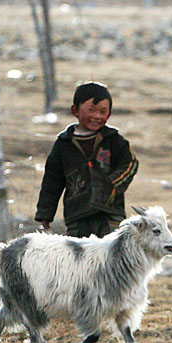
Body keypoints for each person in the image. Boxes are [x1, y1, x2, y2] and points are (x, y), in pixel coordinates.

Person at [35, 81, 138, 238]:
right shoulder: (63, 145)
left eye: (103, 112)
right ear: (75, 110)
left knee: (111, 256)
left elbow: (130, 164)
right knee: (79, 256)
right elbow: (52, 181)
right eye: (91, 110)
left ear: (109, 114)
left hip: (109, 214)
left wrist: (111, 185)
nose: (97, 116)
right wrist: (45, 213)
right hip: (77, 215)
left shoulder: (113, 140)